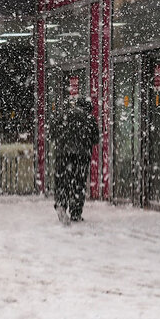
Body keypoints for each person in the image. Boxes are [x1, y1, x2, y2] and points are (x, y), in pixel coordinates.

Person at [51, 96, 100, 224]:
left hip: (63, 155)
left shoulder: (63, 115)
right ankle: (76, 212)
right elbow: (96, 139)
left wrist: (63, 142)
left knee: (62, 182)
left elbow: (52, 134)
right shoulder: (90, 119)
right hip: (82, 156)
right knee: (78, 184)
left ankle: (61, 204)